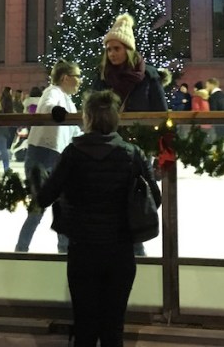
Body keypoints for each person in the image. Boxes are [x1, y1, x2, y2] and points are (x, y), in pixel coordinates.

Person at [35, 90, 161, 347]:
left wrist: (39, 178)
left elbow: (45, 196)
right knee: (113, 325)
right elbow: (154, 198)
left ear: (87, 118)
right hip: (120, 250)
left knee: (85, 324)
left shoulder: (72, 153)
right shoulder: (132, 153)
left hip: (83, 250)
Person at [15, 60, 82, 253]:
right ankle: (21, 250)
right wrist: (55, 111)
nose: (79, 81)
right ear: (65, 78)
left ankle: (64, 250)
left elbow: (74, 132)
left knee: (62, 206)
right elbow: (47, 106)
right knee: (38, 208)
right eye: (77, 77)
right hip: (42, 156)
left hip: (58, 159)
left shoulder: (69, 100)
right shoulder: (53, 92)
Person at [91, 12, 167, 111]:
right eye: (109, 49)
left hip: (142, 126)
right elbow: (92, 111)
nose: (112, 54)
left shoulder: (149, 76)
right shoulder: (102, 76)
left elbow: (161, 112)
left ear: (128, 51)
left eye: (117, 49)